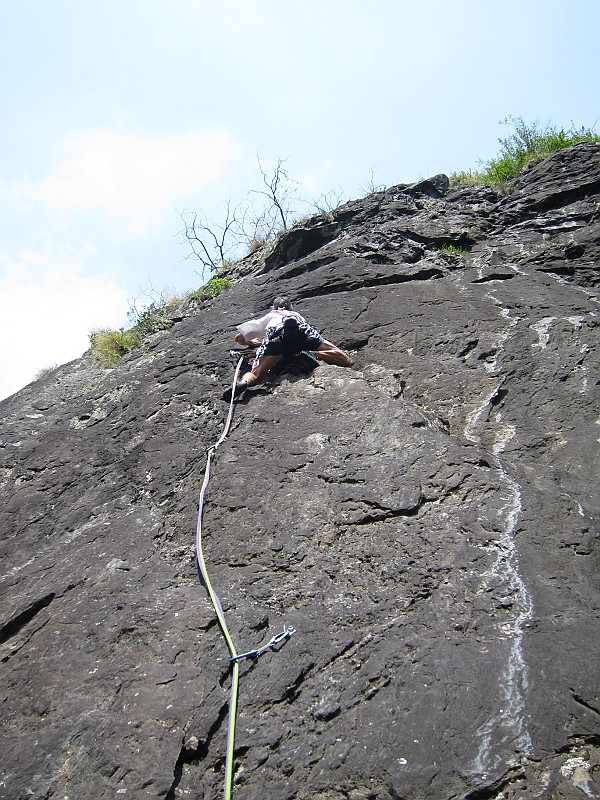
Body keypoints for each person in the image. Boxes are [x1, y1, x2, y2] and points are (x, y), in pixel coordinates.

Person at [223, 296, 352, 400]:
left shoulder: (270, 316)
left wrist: (253, 342)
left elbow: (238, 338)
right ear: (290, 308)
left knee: (255, 375)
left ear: (276, 308)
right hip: (303, 334)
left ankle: (243, 383)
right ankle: (311, 353)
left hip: (278, 339)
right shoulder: (296, 315)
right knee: (344, 359)